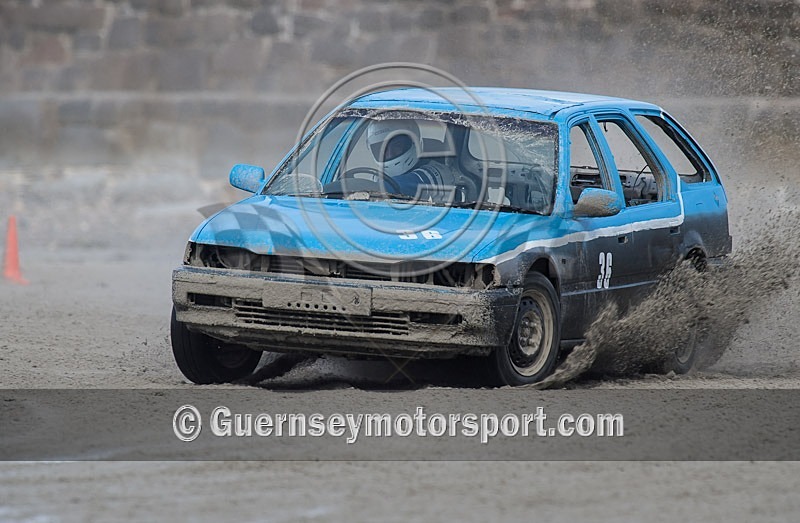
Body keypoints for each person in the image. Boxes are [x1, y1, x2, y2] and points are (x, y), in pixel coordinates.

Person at [365, 119, 463, 202]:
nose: (389, 154)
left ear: (414, 142)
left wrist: (364, 190)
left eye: (397, 146)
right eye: (382, 149)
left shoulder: (439, 173)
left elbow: (407, 184)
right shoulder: (378, 177)